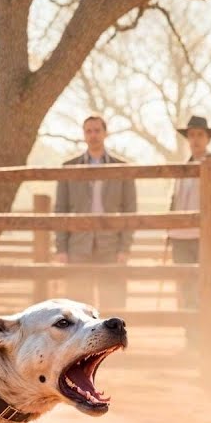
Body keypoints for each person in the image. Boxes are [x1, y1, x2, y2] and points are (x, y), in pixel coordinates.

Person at [54, 115, 136, 311]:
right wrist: (61, 247)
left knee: (113, 301)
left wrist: (125, 247)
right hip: (78, 244)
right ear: (83, 135)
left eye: (97, 130)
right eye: (89, 131)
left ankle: (114, 342)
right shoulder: (69, 167)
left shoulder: (122, 167)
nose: (93, 135)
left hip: (111, 244)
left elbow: (130, 209)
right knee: (79, 305)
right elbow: (60, 209)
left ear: (105, 133)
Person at [167, 115, 211, 349]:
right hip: (181, 236)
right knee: (187, 291)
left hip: (204, 236)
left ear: (207, 138)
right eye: (191, 135)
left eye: (200, 135)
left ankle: (210, 339)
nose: (195, 139)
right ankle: (192, 340)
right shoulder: (184, 166)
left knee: (207, 288)